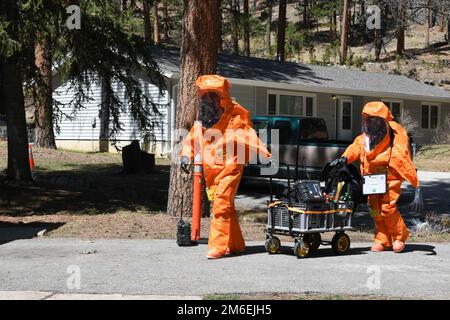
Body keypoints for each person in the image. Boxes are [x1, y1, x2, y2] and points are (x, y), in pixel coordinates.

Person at [180, 75, 271, 259]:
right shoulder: (202, 124)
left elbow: (249, 134)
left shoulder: (233, 118)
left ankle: (218, 247)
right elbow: (190, 141)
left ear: (221, 99)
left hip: (231, 169)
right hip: (212, 172)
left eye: (211, 97)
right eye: (204, 97)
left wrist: (263, 152)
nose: (207, 101)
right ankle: (236, 245)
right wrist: (184, 157)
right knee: (226, 206)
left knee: (221, 204)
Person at [331, 102, 420, 253]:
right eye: (369, 119)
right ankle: (382, 239)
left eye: (375, 119)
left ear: (383, 120)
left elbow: (401, 155)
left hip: (389, 177)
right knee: (374, 209)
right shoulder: (365, 138)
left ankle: (399, 237)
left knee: (388, 208)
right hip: (371, 179)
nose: (371, 122)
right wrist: (344, 158)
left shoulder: (395, 135)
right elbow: (355, 147)